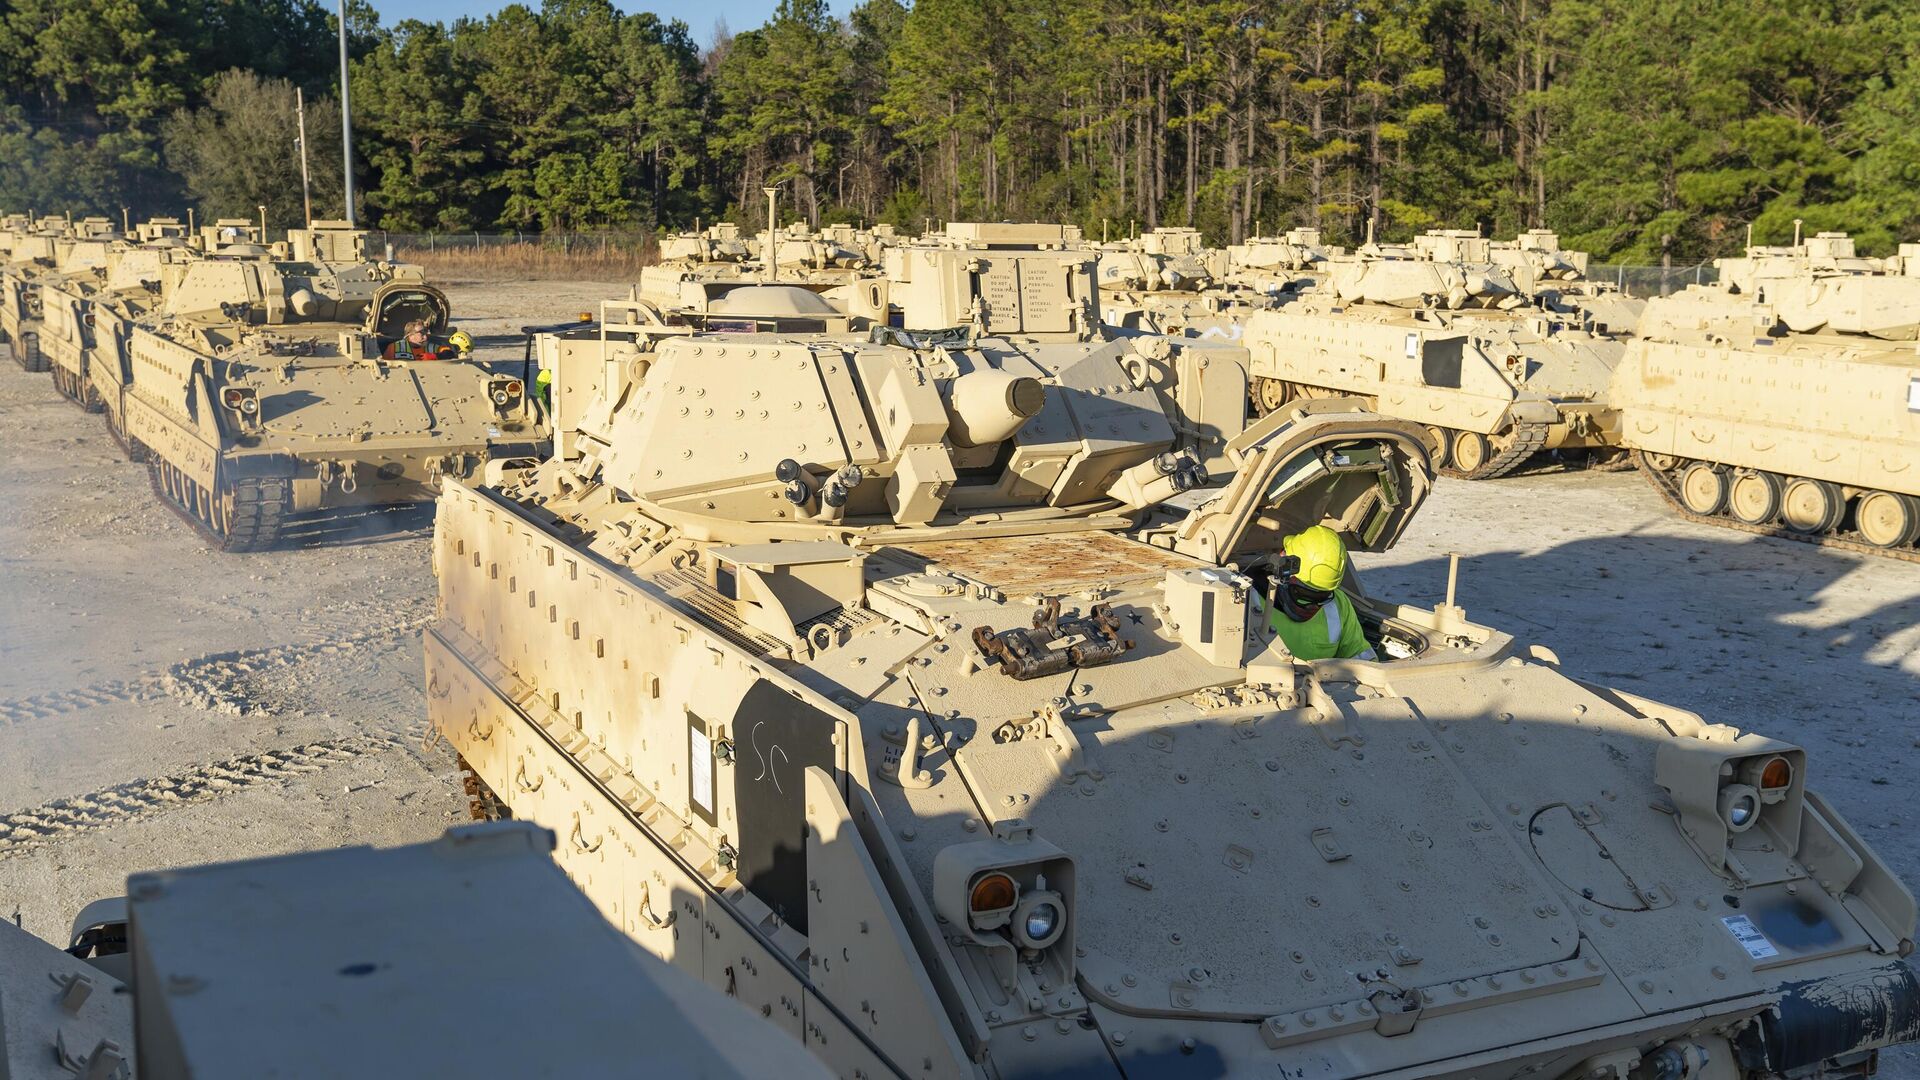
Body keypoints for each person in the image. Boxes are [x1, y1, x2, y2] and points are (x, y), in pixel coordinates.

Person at [1264, 525, 1376, 661]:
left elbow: (1361, 656)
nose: (1312, 605)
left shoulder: (1339, 604)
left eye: (1322, 596)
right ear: (1282, 566)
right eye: (1303, 593)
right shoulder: (1251, 602)